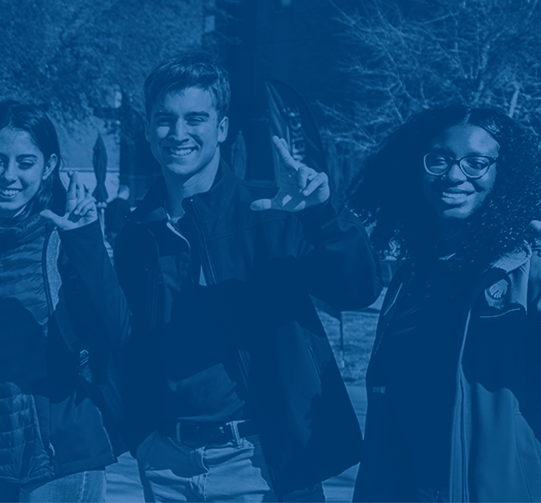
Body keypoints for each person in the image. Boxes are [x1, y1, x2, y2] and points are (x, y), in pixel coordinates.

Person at [107, 53, 376, 503]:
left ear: (223, 128)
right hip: (166, 465)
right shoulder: (138, 234)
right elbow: (128, 342)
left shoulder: (273, 212)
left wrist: (323, 218)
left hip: (260, 462)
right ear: (148, 129)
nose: (178, 134)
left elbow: (357, 289)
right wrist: (144, 439)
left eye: (195, 118)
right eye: (164, 119)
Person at [347, 105, 541, 503]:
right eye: (439, 159)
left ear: (503, 173)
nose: (454, 175)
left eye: (477, 162)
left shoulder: (532, 268)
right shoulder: (414, 274)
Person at [0, 102, 127, 503]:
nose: (9, 176)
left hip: (58, 463)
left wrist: (86, 242)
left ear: (48, 166)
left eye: (25, 162)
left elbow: (115, 332)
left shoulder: (66, 238)